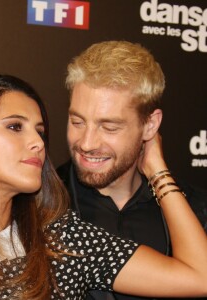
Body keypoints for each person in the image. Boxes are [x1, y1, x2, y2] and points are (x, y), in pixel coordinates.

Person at [0, 74, 207, 300]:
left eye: (40, 130)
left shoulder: (63, 241)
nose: (38, 142)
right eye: (15, 127)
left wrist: (157, 169)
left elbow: (199, 277)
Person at [57, 40, 207, 300]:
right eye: (77, 121)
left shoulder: (193, 210)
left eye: (110, 127)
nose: (87, 143)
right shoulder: (40, 206)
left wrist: (158, 172)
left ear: (150, 125)